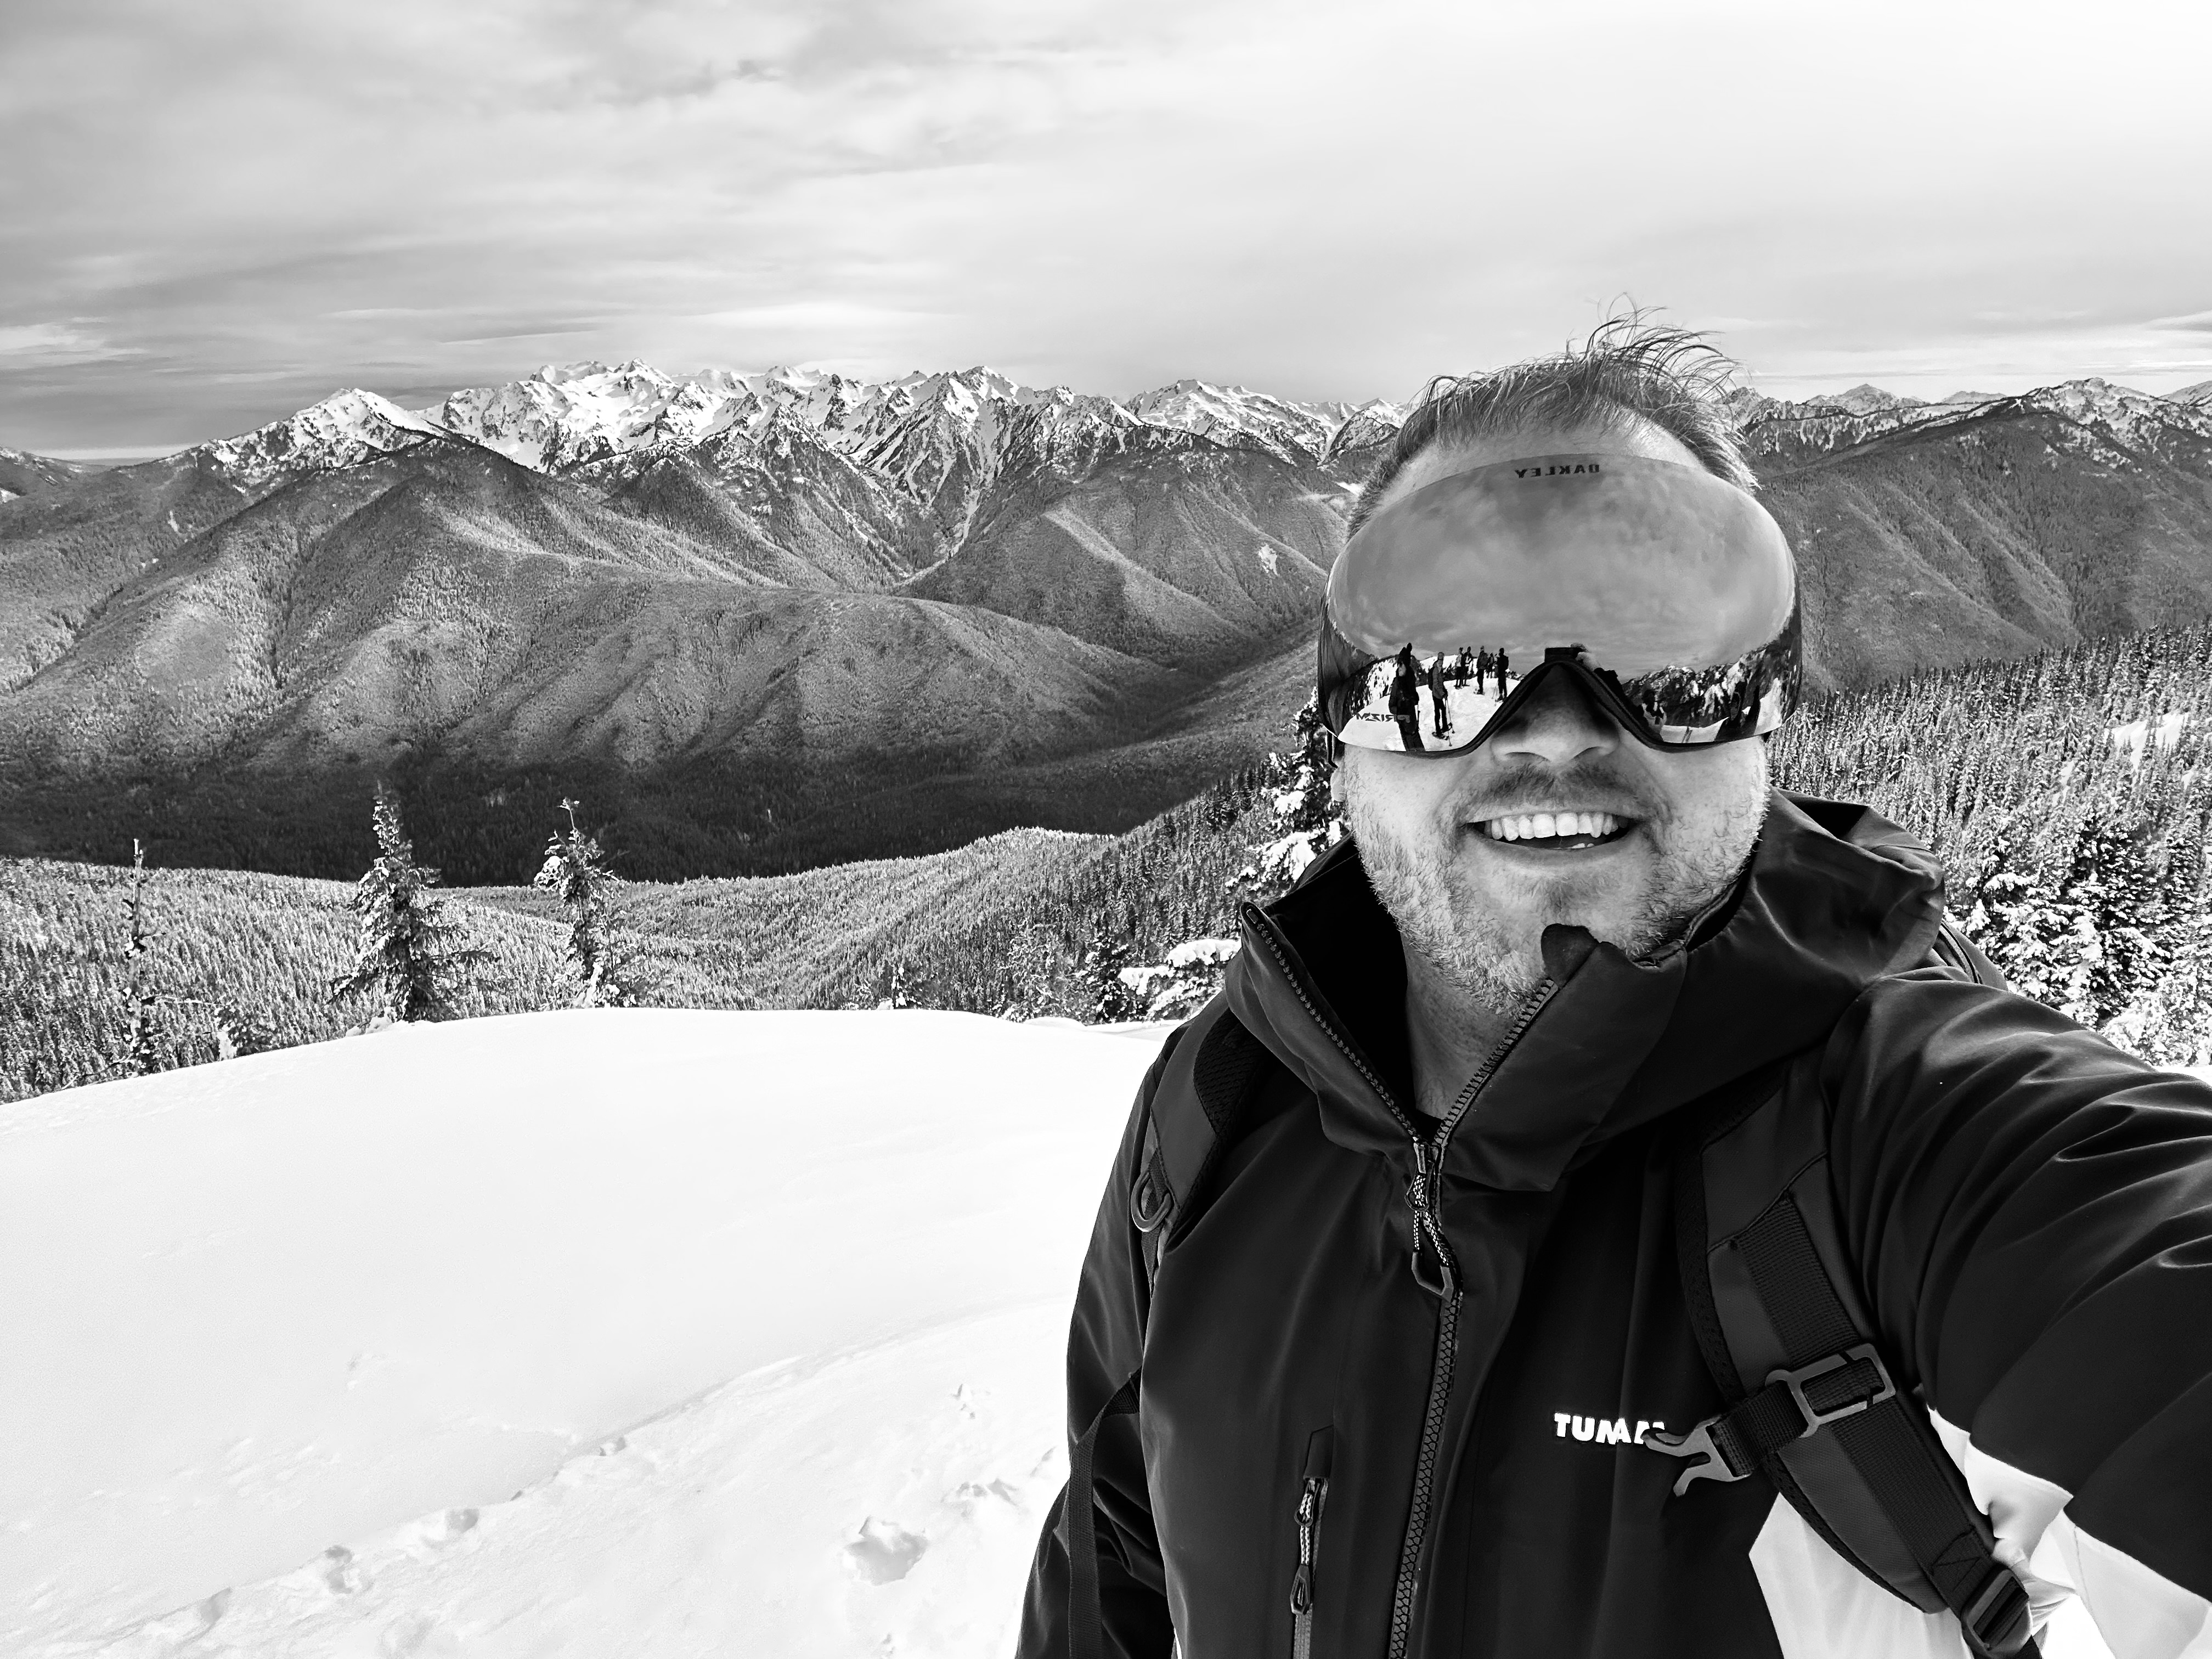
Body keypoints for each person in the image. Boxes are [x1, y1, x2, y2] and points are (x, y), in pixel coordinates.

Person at [1018, 325, 2212, 1659]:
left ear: (1767, 705)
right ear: (1343, 724)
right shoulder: (1218, 1106)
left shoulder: (1900, 1130)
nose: (1557, 725)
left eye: (1662, 660)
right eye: (1449, 669)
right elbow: (1115, 1555)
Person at [1388, 644, 1425, 752]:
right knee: (1411, 753)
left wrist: (1412, 699)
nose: (1399, 667)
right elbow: (1391, 706)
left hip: (1413, 722)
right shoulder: (1397, 683)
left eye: (1401, 664)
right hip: (1404, 725)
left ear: (1407, 665)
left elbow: (1415, 698)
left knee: (1421, 751)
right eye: (1398, 664)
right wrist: (1400, 710)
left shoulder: (1410, 680)